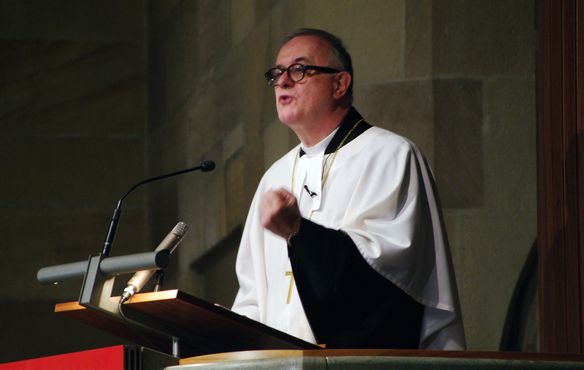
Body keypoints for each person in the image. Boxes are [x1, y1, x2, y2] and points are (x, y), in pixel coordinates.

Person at [232, 28, 466, 350]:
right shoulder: (273, 178)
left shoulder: (391, 156)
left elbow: (384, 284)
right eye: (277, 74)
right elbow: (253, 297)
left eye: (299, 70)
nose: (283, 82)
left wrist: (299, 233)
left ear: (340, 84)